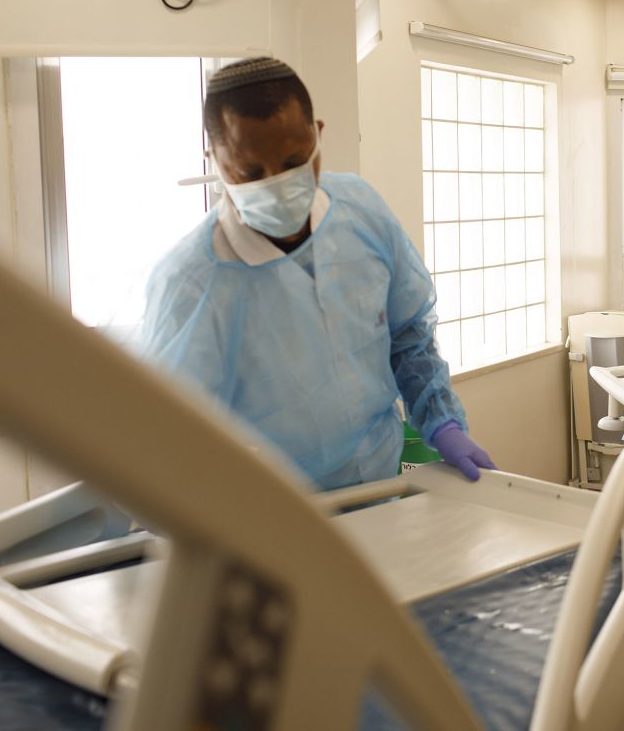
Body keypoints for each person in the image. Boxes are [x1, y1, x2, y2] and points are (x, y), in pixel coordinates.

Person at [140, 57, 495, 490]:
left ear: (318, 136)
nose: (276, 183)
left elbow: (407, 337)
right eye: (251, 172)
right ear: (214, 158)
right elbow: (173, 445)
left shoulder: (361, 212)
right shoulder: (190, 284)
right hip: (276, 523)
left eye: (293, 161)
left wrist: (442, 424)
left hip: (384, 491)